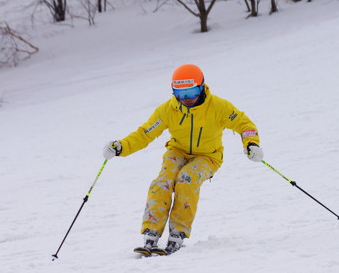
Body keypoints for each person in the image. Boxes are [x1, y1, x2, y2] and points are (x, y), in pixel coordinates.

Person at [103, 64, 263, 256]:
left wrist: (251, 143)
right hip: (177, 152)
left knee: (186, 179)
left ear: (202, 87)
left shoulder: (219, 107)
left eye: (191, 92)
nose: (186, 99)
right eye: (180, 94)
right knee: (162, 182)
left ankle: (178, 233)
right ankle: (151, 232)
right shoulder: (168, 110)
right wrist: (121, 147)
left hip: (208, 157)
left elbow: (244, 123)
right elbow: (145, 133)